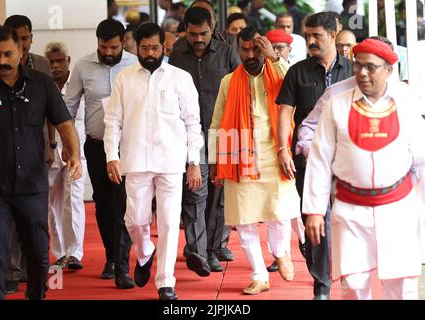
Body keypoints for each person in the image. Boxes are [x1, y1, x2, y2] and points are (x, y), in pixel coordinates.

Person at [303, 38, 425, 300]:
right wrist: (313, 210)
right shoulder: (336, 103)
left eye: (371, 67)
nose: (363, 73)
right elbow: (320, 158)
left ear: (389, 70)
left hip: (398, 208)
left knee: (402, 286)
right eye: (358, 66)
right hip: (350, 210)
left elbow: (422, 159)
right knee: (354, 286)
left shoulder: (407, 103)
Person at [104, 22, 203, 300]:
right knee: (134, 220)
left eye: (155, 47)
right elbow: (112, 122)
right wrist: (112, 156)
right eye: (144, 47)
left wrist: (193, 161)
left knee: (170, 222)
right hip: (134, 160)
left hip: (172, 161)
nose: (149, 52)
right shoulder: (124, 79)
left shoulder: (180, 78)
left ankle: (166, 282)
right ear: (135, 47)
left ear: (164, 47)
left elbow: (193, 123)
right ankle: (145, 251)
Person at [0, 26, 82, 300]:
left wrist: (73, 153)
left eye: (8, 53)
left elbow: (64, 123)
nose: (2, 61)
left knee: (40, 256)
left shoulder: (42, 84)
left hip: (33, 185)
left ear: (21, 51)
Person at [209, 26, 301, 295]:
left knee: (280, 213)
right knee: (245, 220)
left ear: (264, 48)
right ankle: (259, 275)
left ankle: (280, 250)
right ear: (238, 50)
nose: (250, 55)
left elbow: (293, 82)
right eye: (245, 49)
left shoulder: (278, 72)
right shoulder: (229, 81)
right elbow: (217, 122)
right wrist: (216, 161)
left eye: (255, 49)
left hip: (275, 154)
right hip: (239, 156)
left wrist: (273, 57)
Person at [276, 12, 353, 300]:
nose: (310, 41)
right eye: (307, 35)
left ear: (333, 36)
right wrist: (284, 148)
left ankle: (329, 280)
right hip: (308, 160)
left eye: (316, 35)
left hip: (347, 161)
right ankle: (320, 279)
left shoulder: (354, 71)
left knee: (342, 220)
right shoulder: (297, 71)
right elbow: (285, 112)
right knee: (315, 218)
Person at [65, 19, 137, 289]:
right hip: (96, 146)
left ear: (124, 42)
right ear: (97, 43)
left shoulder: (134, 64)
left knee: (123, 203)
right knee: (104, 203)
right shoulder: (83, 66)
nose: (108, 52)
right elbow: (69, 108)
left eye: (114, 47)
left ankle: (122, 265)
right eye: (103, 47)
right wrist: (67, 146)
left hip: (127, 147)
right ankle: (112, 256)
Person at [169, 6, 240, 276]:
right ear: (185, 30)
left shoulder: (227, 53)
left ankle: (212, 249)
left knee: (219, 195)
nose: (198, 39)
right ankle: (198, 252)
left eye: (203, 33)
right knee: (196, 192)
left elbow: (242, 89)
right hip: (191, 133)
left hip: (223, 132)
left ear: (213, 29)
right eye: (193, 34)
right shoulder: (176, 54)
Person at [3, 14, 52, 295]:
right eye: (16, 39)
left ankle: (33, 270)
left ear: (31, 38)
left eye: (25, 38)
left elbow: (54, 114)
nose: (22, 44)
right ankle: (12, 269)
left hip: (37, 152)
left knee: (35, 218)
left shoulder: (42, 67)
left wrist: (53, 147)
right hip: (5, 155)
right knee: (7, 219)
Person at [264, 28, 307, 273]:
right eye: (271, 47)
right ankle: (281, 252)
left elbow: (285, 76)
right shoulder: (258, 71)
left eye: (280, 48)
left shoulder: (295, 71)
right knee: (276, 202)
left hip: (293, 143)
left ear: (289, 50)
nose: (274, 52)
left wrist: (274, 58)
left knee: (294, 200)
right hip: (268, 145)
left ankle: (304, 241)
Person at [44, 41, 87, 271]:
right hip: (51, 148)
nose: (56, 65)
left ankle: (75, 252)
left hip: (76, 148)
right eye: (51, 62)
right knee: (54, 201)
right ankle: (60, 253)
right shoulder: (43, 84)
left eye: (60, 60)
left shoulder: (77, 82)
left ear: (68, 61)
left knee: (75, 198)